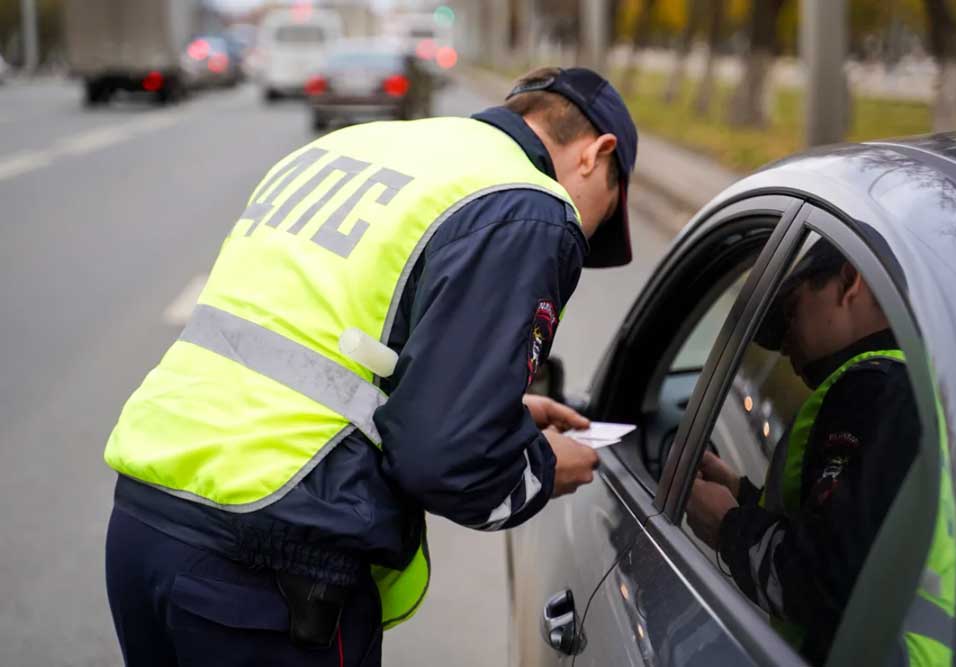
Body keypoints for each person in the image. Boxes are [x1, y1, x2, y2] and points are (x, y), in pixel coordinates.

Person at [102, 66, 638, 666]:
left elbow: (334, 342)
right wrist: (538, 465)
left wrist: (498, 412)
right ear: (597, 155)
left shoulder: (356, 147)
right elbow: (446, 458)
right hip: (269, 567)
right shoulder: (527, 205)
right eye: (605, 213)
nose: (587, 233)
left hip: (145, 518)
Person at [686, 240, 922, 664]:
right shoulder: (914, 387)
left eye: (791, 312)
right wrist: (741, 493)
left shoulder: (873, 389)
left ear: (851, 281)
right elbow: (862, 533)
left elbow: (826, 580)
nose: (784, 348)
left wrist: (729, 528)